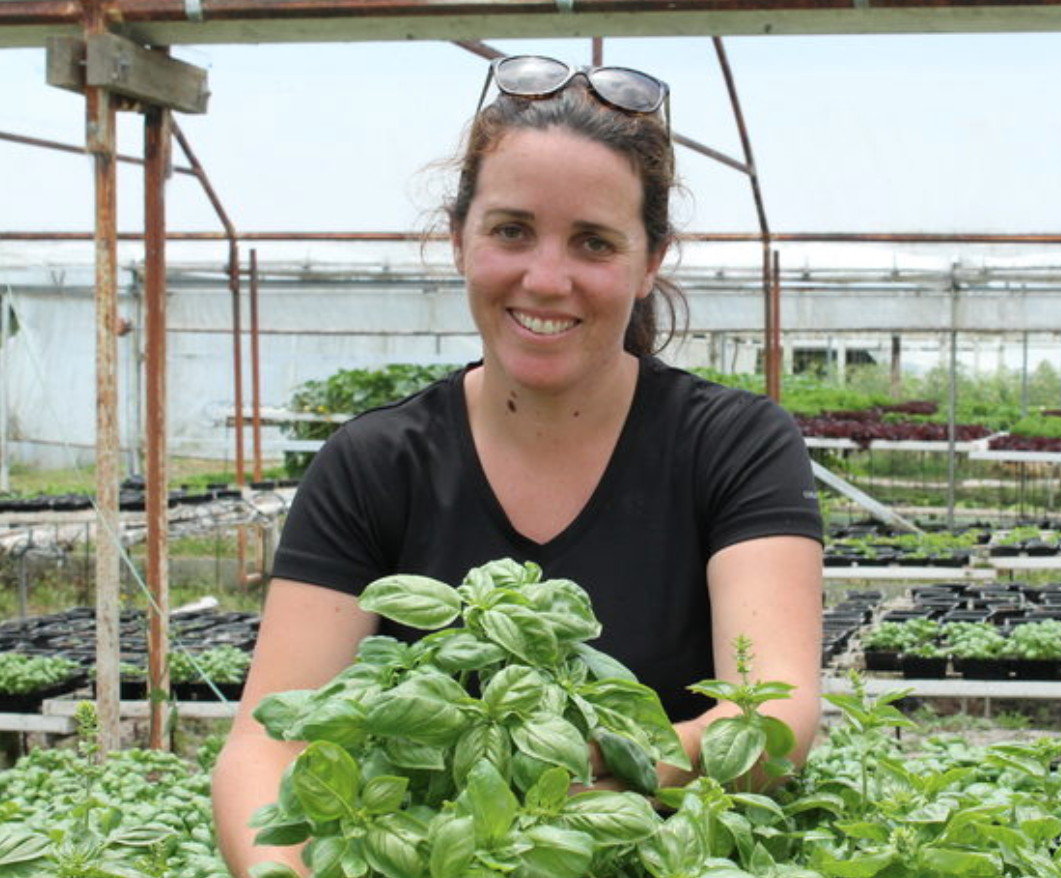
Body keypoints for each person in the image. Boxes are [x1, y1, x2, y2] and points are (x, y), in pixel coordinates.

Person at [212, 55, 824, 877]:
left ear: (650, 262)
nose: (546, 278)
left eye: (593, 242)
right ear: (459, 237)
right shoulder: (374, 464)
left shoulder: (733, 446)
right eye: (511, 230)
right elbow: (266, 746)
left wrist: (550, 803)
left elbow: (773, 719)